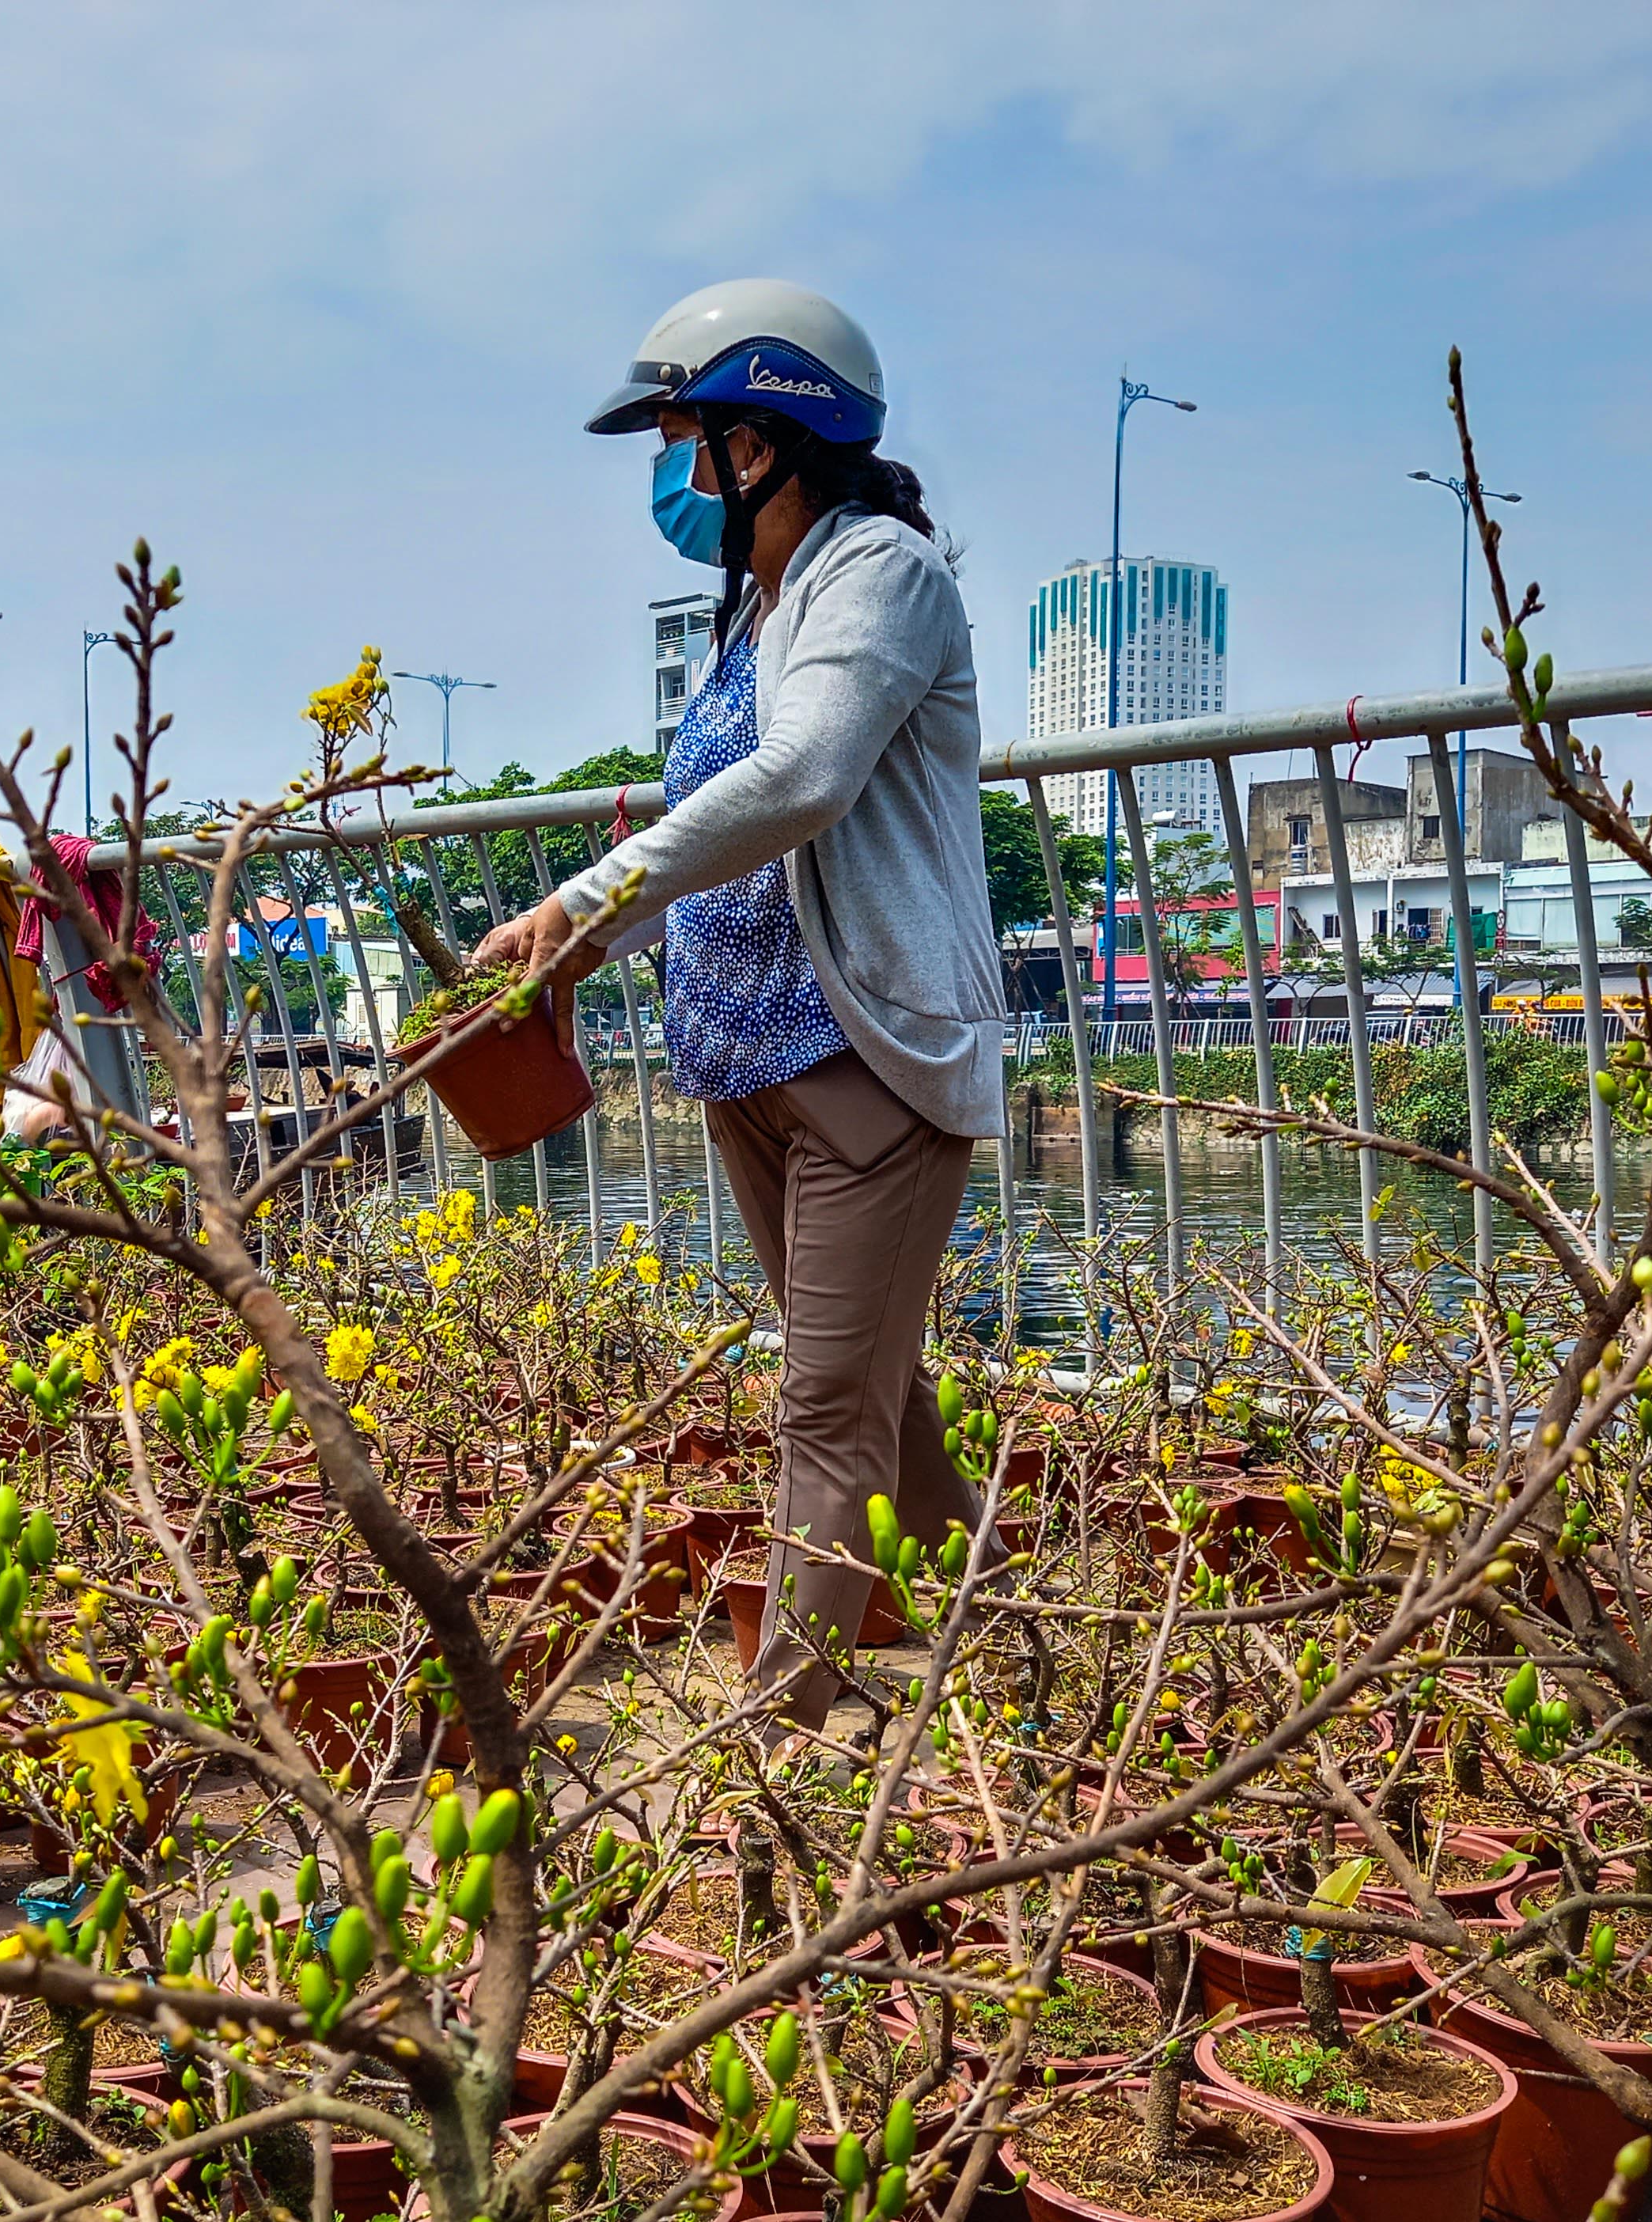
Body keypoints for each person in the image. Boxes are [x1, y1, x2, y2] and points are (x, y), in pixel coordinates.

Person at [475, 279, 1005, 1734]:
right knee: (880, 1399)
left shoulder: (878, 574)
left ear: (765, 438)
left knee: (824, 1412)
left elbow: (805, 779)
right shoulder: (755, 612)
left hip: (862, 1063)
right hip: (743, 1062)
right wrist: (579, 947)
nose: (667, 466)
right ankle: (1013, 1633)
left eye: (680, 432)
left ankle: (772, 1743)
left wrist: (579, 896)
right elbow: (711, 825)